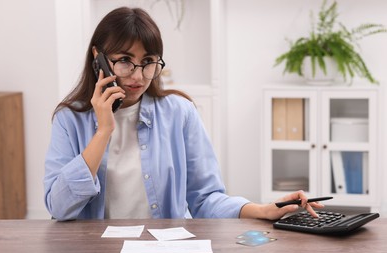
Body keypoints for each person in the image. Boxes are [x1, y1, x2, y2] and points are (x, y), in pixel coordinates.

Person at [44, 6, 324, 221]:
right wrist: (103, 131)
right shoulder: (70, 119)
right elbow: (59, 208)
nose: (139, 76)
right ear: (99, 58)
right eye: (125, 61)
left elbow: (205, 199)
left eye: (148, 62)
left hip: (163, 250)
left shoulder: (180, 113)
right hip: (94, 252)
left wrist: (264, 209)